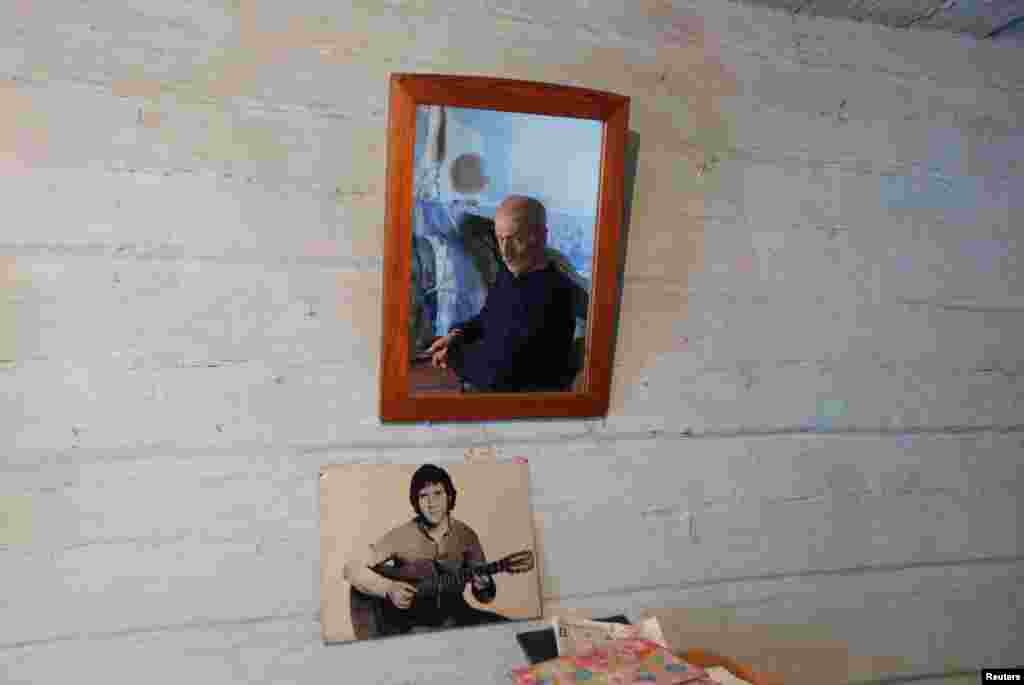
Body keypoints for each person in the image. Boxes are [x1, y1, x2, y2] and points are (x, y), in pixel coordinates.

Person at [425, 195, 578, 392]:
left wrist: (454, 354)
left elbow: (499, 374)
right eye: (500, 239)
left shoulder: (555, 293)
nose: (505, 252)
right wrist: (458, 334)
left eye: (516, 239)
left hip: (523, 410)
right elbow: (489, 317)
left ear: (541, 236)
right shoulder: (511, 273)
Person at [343, 464, 510, 635]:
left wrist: (483, 586)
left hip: (457, 617)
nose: (432, 504)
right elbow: (351, 568)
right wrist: (388, 589)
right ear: (416, 502)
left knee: (508, 628)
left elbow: (484, 596)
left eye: (438, 493)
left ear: (449, 496)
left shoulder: (466, 535)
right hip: (410, 625)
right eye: (423, 496)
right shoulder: (400, 536)